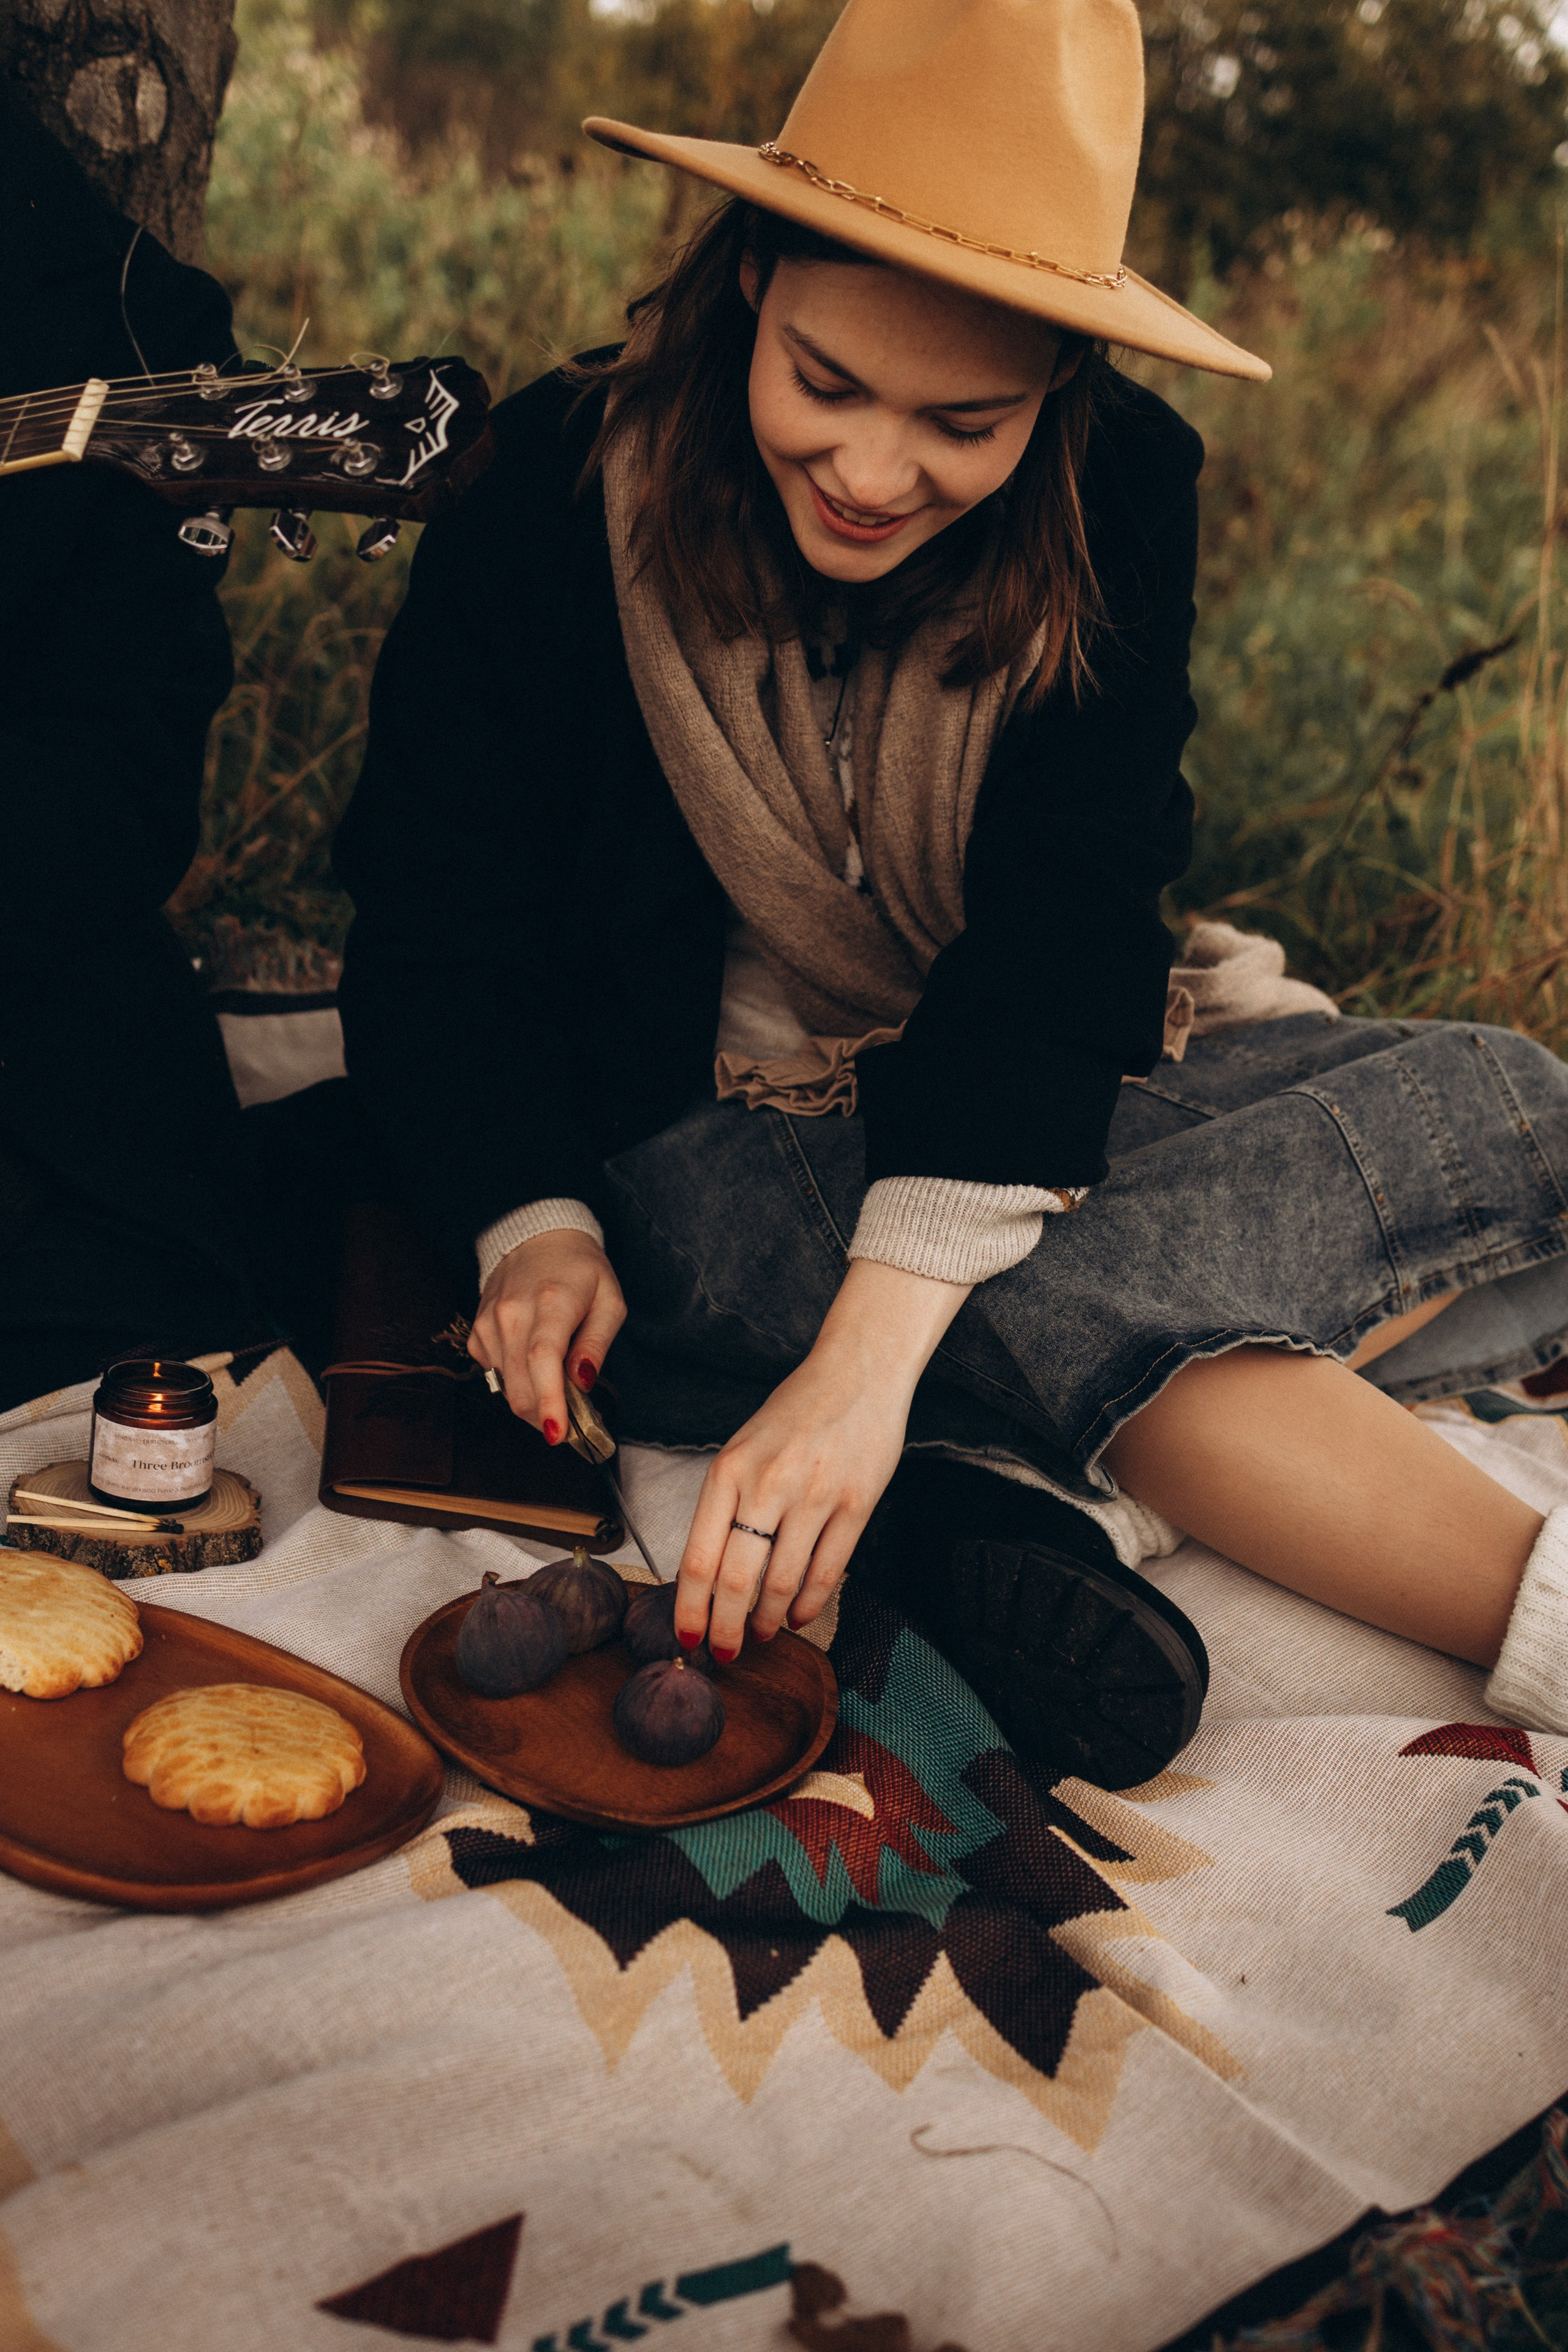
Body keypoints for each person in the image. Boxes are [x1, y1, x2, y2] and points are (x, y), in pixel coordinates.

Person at [334, 0, 1568, 1789]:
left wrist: (865, 1364)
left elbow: (1072, 934)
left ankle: (1026, 1476)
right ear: (752, 277)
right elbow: (436, 916)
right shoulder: (542, 490)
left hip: (996, 1115)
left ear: (1058, 384)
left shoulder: (1124, 485)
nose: (873, 472)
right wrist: (531, 1222)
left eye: (963, 421)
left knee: (1496, 1093)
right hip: (699, 1132)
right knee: (1026, 1271)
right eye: (826, 386)